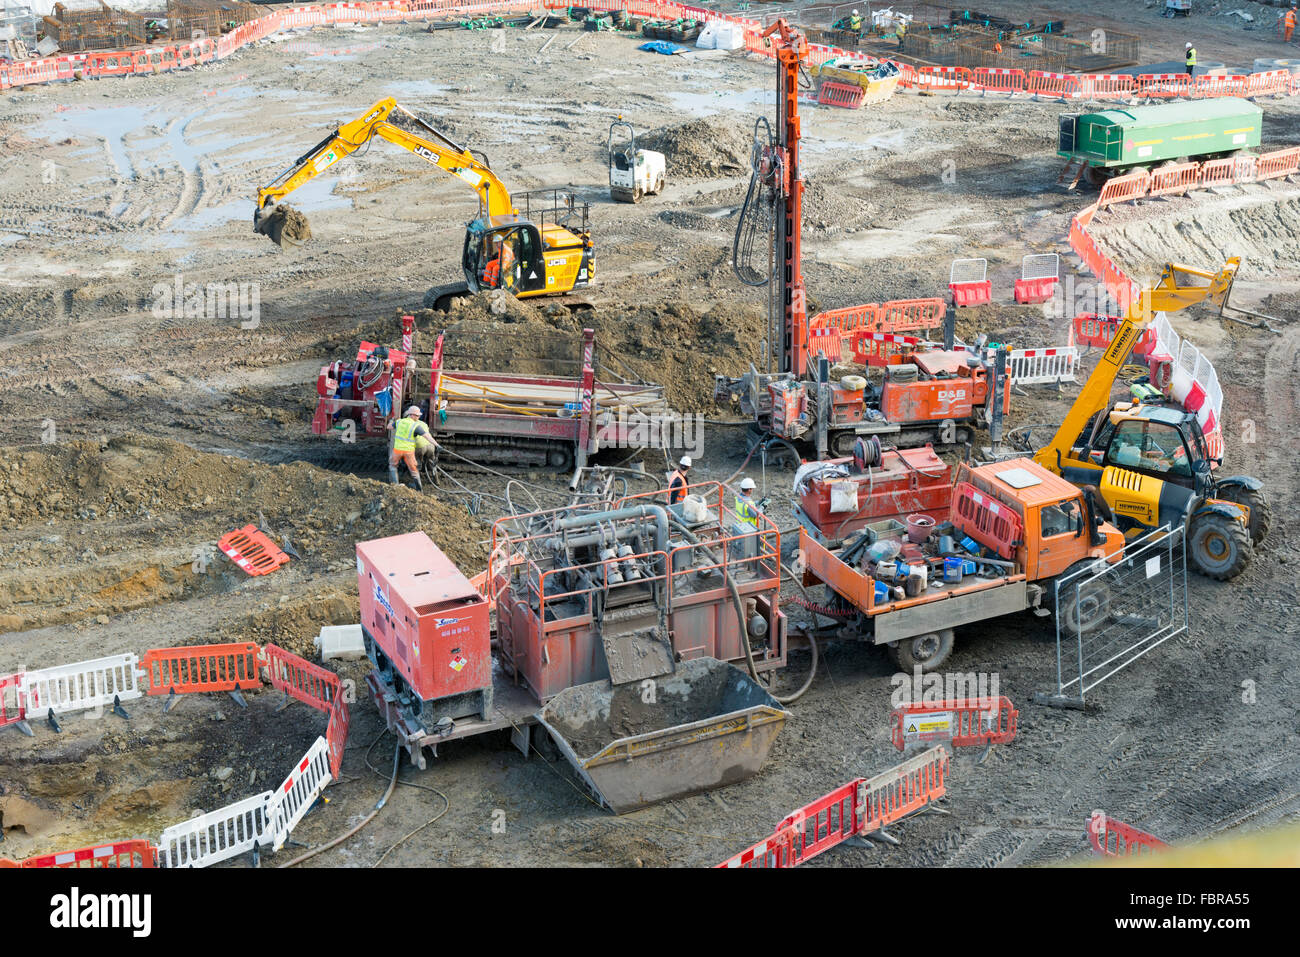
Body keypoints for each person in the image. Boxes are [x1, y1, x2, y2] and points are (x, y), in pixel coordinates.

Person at [389, 405, 434, 490]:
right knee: (414, 469)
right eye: (417, 415)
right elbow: (427, 436)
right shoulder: (418, 425)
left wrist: (390, 421)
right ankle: (419, 489)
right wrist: (437, 445)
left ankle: (395, 486)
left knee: (393, 466)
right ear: (412, 415)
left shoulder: (399, 422)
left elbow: (389, 427)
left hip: (398, 450)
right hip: (411, 451)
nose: (419, 417)